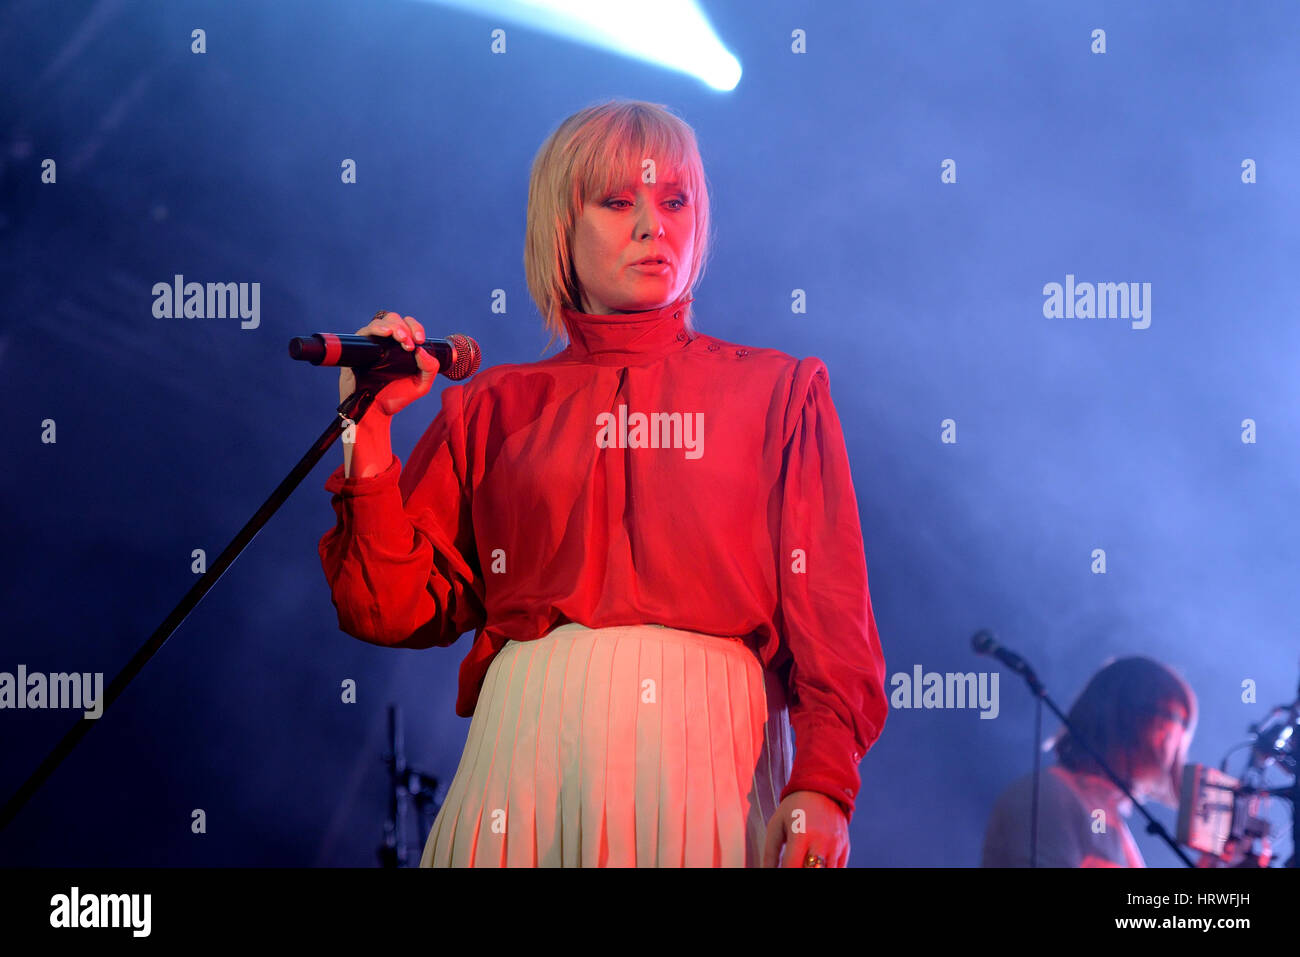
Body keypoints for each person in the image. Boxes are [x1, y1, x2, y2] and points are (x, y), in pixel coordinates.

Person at [318, 99, 887, 867]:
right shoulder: (491, 404)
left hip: (711, 761)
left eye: (675, 200)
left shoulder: (781, 392)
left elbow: (834, 626)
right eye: (620, 201)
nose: (655, 225)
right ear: (561, 224)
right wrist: (371, 425)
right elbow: (385, 607)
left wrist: (823, 782)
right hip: (522, 765)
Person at [981, 656, 1198, 867]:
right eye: (1176, 719)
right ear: (1131, 718)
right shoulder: (1051, 794)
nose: (1176, 739)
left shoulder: (1102, 810)